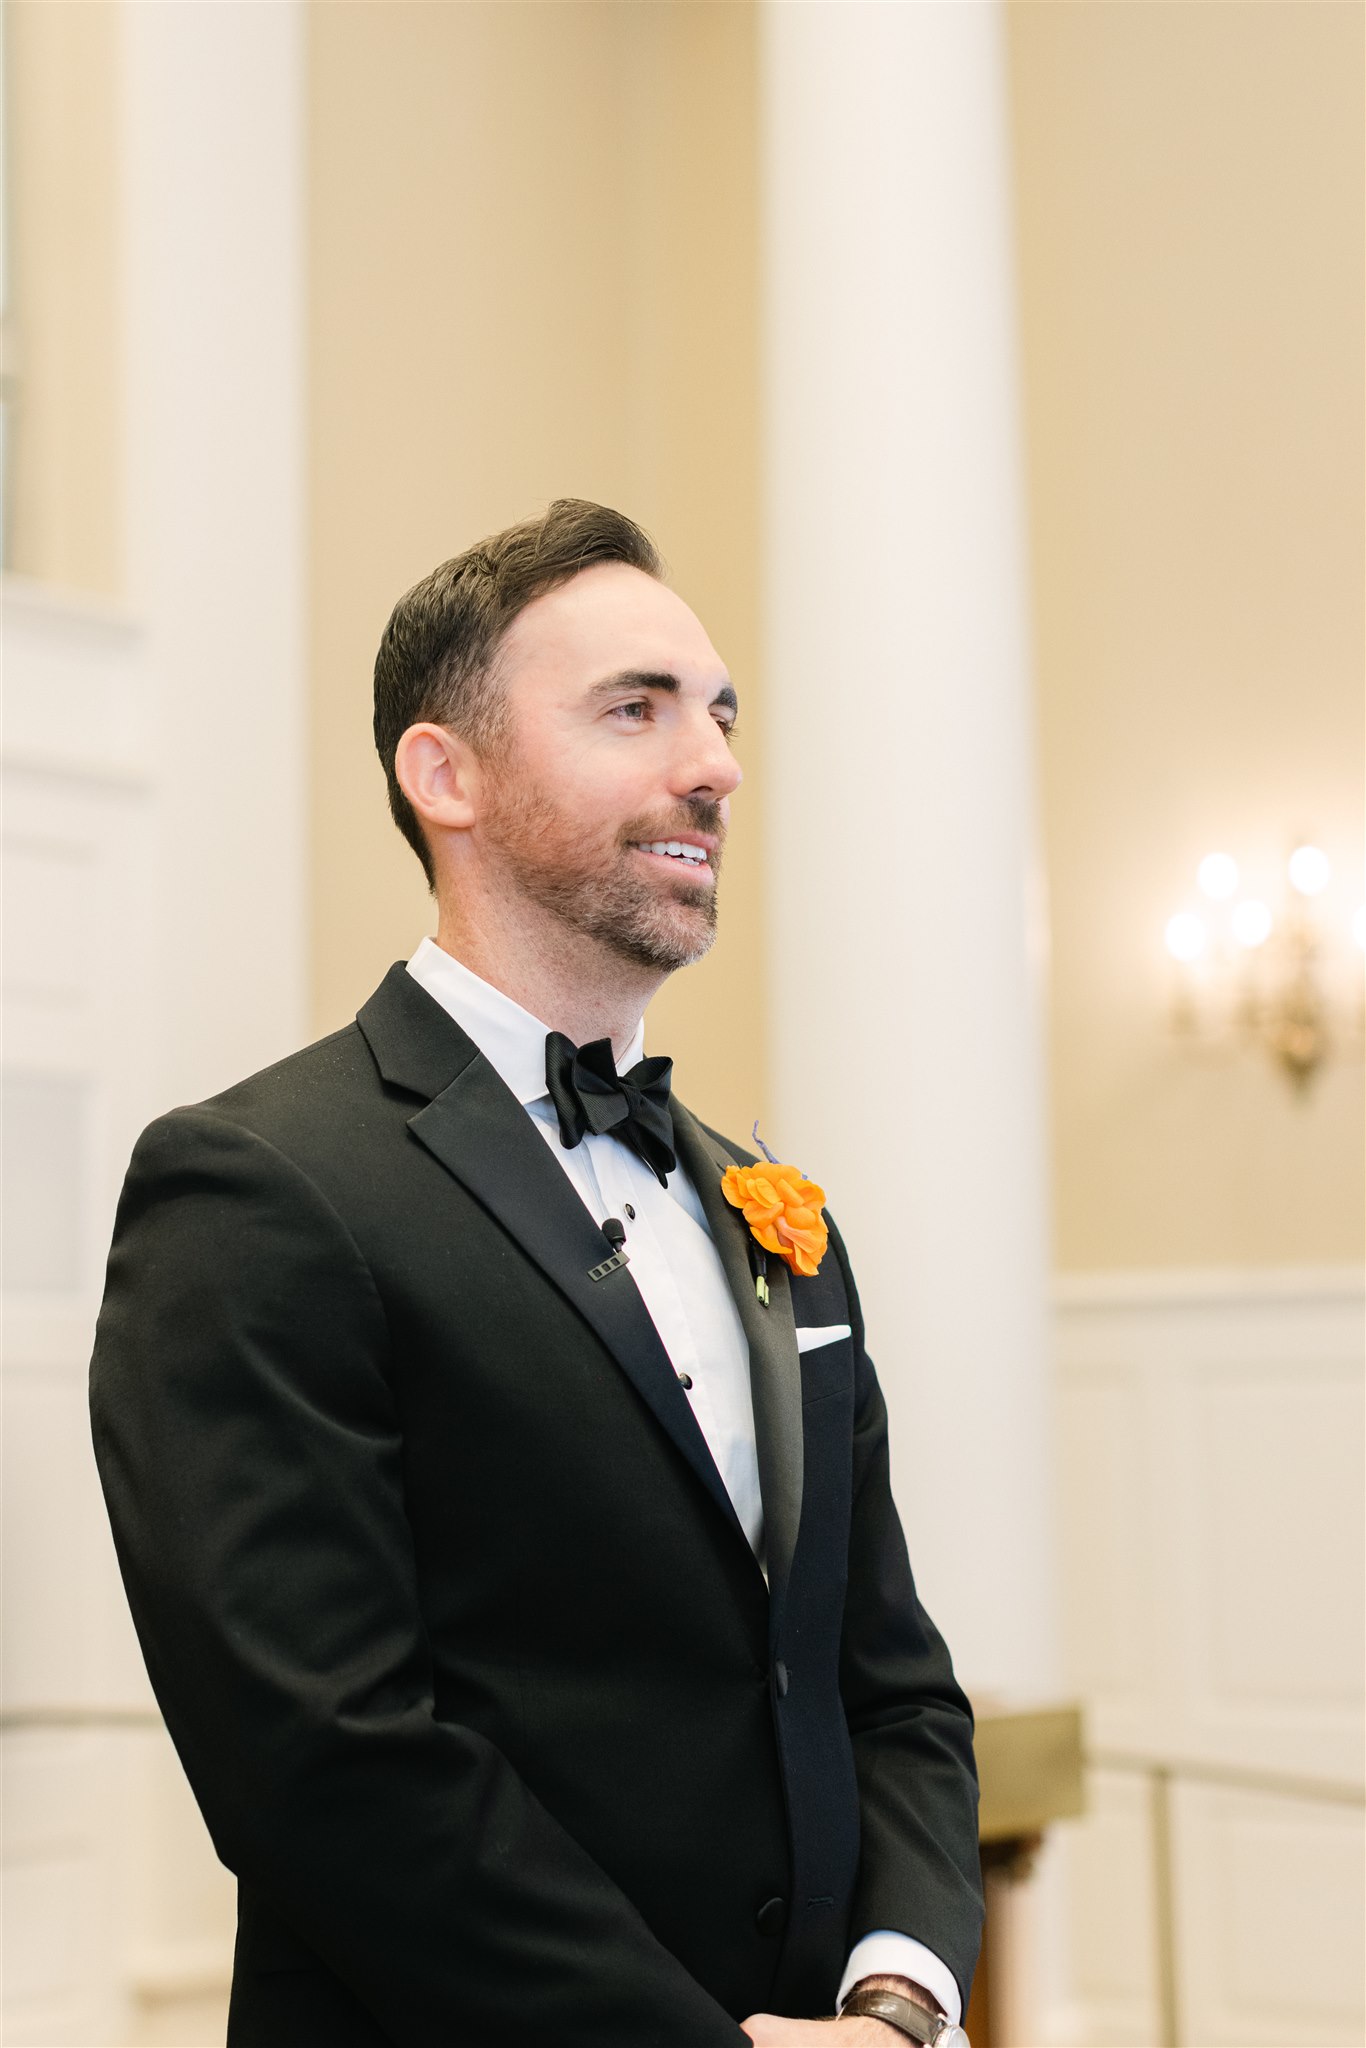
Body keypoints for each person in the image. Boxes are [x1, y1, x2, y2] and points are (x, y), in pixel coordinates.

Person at [90, 499, 983, 2048]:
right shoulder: (257, 1185)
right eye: (632, 711)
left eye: (716, 714)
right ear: (445, 774)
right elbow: (327, 1759)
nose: (711, 764)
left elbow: (886, 1682)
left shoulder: (775, 1210)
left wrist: (896, 2001)